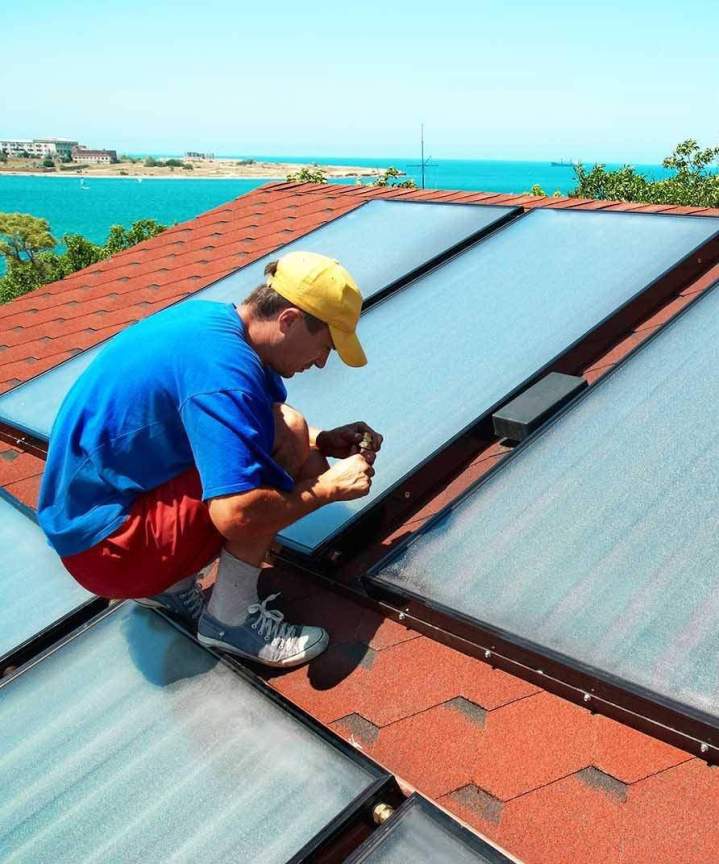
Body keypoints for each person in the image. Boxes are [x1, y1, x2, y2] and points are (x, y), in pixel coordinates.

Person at [38, 251, 382, 668]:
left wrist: (322, 441)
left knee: (290, 428)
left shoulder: (213, 323)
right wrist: (325, 490)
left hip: (89, 521)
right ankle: (231, 620)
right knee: (282, 447)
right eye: (324, 346)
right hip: (110, 551)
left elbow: (247, 418)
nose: (323, 362)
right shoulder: (225, 374)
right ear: (288, 320)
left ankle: (168, 585)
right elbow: (238, 517)